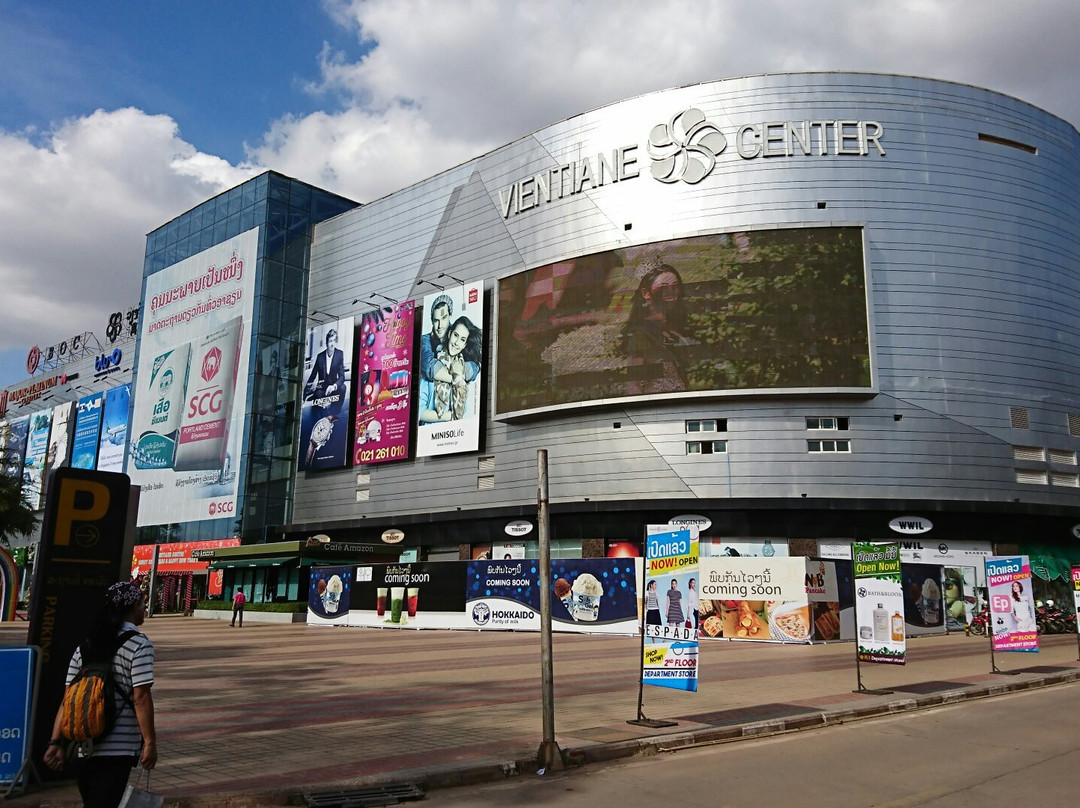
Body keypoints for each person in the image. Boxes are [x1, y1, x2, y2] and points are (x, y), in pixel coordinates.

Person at [43, 581, 157, 808]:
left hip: (82, 743)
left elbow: (68, 699)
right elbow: (141, 697)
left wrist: (56, 742)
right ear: (134, 606)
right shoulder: (139, 644)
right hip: (120, 747)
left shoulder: (85, 646)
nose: (144, 608)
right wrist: (150, 742)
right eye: (143, 604)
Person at [621, 261, 690, 394]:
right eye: (663, 287)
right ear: (646, 293)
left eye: (675, 286)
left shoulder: (672, 331)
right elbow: (633, 385)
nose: (671, 292)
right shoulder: (641, 334)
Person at [419, 315, 483, 424]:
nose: (456, 342)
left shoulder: (464, 373)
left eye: (462, 339)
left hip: (455, 435)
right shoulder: (433, 368)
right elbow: (420, 413)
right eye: (455, 335)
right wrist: (448, 416)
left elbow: (464, 409)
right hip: (429, 435)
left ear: (465, 345)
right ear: (450, 334)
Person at [304, 328, 346, 413]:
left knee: (343, 387)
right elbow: (313, 376)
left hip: (333, 388)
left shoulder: (339, 354)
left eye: (334, 340)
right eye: (330, 341)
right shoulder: (320, 357)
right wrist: (303, 396)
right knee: (317, 395)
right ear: (326, 343)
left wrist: (334, 386)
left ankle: (337, 412)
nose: (332, 344)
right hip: (322, 389)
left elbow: (342, 377)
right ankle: (321, 415)